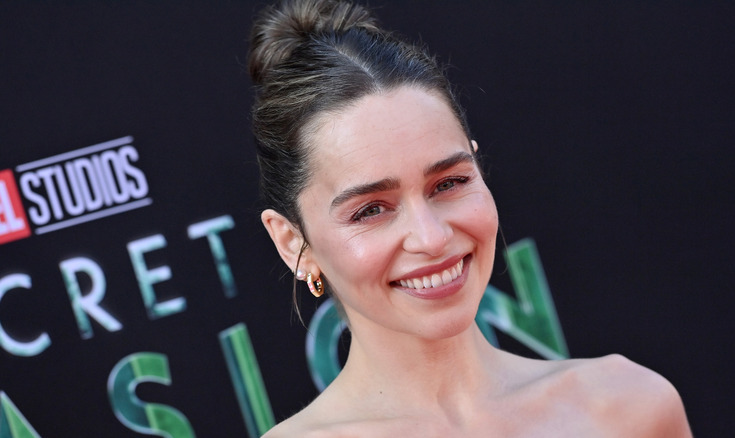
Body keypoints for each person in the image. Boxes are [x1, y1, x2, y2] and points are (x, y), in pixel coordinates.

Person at [248, 0, 692, 436]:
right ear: (291, 242)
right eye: (370, 210)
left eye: (448, 184)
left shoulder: (629, 408)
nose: (431, 237)